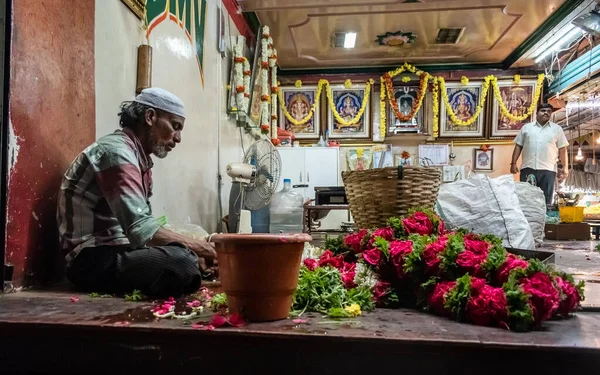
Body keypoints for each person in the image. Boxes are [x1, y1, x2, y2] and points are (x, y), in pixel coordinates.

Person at [57, 87, 217, 297]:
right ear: (150, 117)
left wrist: (194, 248)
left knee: (186, 256)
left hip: (116, 251)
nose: (177, 138)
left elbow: (143, 230)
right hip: (90, 260)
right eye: (175, 126)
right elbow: (141, 229)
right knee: (182, 262)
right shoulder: (117, 153)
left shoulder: (138, 159)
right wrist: (202, 249)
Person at [510, 103, 569, 205]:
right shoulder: (526, 128)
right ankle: (528, 220)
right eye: (543, 110)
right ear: (537, 113)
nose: (546, 113)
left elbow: (562, 149)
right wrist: (513, 163)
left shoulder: (557, 129)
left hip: (548, 169)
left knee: (545, 200)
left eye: (549, 111)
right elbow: (518, 146)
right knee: (526, 198)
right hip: (528, 168)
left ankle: (544, 220)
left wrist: (565, 167)